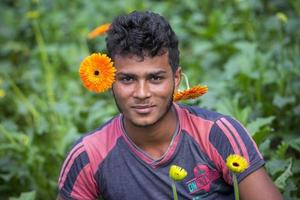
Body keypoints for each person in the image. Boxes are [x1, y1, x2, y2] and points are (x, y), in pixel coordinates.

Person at [57, 11, 282, 200]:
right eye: (127, 79)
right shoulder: (88, 156)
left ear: (176, 79)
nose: (142, 93)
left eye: (155, 78)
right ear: (110, 81)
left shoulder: (218, 133)